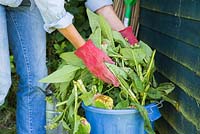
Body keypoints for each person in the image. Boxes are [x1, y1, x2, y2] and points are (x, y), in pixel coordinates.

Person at [0, 0, 138, 133]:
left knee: (36, 79)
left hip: (26, 3)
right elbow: (52, 7)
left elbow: (99, 2)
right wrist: (86, 52)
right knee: (1, 83)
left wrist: (124, 34)